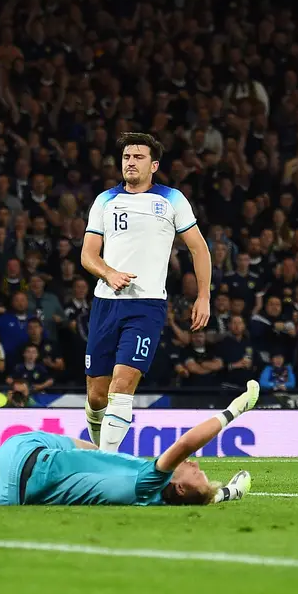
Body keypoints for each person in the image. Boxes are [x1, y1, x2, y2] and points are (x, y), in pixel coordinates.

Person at [81, 133, 212, 451]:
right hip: (105, 303)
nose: (130, 162)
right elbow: (88, 255)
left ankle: (106, 464)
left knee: (122, 384)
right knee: (97, 396)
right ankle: (101, 451)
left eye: (138, 157)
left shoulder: (172, 199)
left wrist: (204, 296)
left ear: (154, 165)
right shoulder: (105, 201)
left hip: (147, 305)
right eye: (126, 157)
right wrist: (109, 273)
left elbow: (199, 249)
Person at [0, 381, 259, 506]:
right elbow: (190, 500)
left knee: (91, 452)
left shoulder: (151, 479)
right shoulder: (151, 500)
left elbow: (186, 443)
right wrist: (227, 492)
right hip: (19, 488)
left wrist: (234, 410)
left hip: (21, 454)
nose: (194, 463)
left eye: (196, 472)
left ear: (179, 487)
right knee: (96, 456)